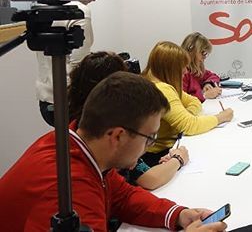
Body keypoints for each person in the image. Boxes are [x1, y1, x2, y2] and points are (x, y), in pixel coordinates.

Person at [0, 72, 227, 232]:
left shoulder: (79, 147)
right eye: (149, 138)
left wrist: (178, 215)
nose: (149, 146)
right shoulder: (68, 191)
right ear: (117, 136)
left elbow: (123, 197)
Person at [68, 51, 190, 191]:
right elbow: (150, 179)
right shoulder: (109, 136)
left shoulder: (81, 128)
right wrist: (178, 159)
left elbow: (124, 196)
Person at [142, 41, 233, 166]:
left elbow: (194, 101)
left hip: (159, 151)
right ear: (170, 67)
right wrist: (221, 117)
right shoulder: (162, 89)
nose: (185, 71)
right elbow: (190, 126)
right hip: (158, 156)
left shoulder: (155, 80)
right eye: (182, 67)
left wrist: (187, 114)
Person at [36, 0, 93, 126]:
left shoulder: (42, 8)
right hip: (70, 102)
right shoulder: (79, 11)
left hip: (46, 100)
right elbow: (79, 65)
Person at [182, 32, 222, 102]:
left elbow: (213, 76)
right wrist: (204, 95)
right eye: (203, 53)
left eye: (206, 54)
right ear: (192, 51)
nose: (204, 57)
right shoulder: (182, 73)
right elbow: (181, 100)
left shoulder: (197, 69)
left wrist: (207, 83)